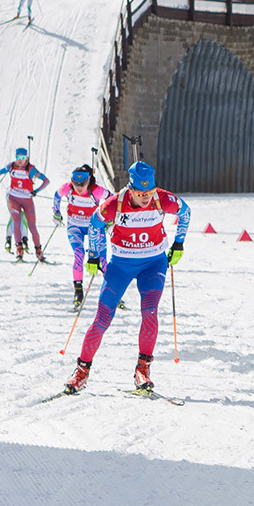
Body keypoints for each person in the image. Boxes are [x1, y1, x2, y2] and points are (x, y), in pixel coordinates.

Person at [64, 160, 189, 395]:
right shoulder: (115, 204)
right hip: (121, 265)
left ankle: (143, 369)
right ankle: (81, 371)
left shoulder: (163, 199)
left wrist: (178, 243)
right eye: (140, 193)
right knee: (102, 319)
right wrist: (94, 255)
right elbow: (94, 223)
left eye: (149, 192)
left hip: (153, 264)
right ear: (131, 189)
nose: (146, 198)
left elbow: (186, 212)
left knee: (150, 312)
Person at [53, 164, 110, 308]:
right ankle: (78, 291)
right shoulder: (67, 188)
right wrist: (56, 213)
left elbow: (113, 199)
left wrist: (109, 218)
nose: (79, 187)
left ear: (88, 181)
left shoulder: (96, 190)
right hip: (75, 227)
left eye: (82, 184)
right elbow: (57, 196)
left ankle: (113, 293)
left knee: (102, 260)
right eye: (76, 183)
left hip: (94, 228)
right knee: (79, 254)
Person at [0, 147, 48, 262]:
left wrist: (36, 191)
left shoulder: (31, 169)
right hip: (14, 199)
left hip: (27, 200)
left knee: (32, 226)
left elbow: (46, 181)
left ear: (26, 158)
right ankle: (19, 251)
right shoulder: (11, 166)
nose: (20, 160)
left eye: (22, 157)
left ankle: (38, 251)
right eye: (18, 157)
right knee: (16, 223)